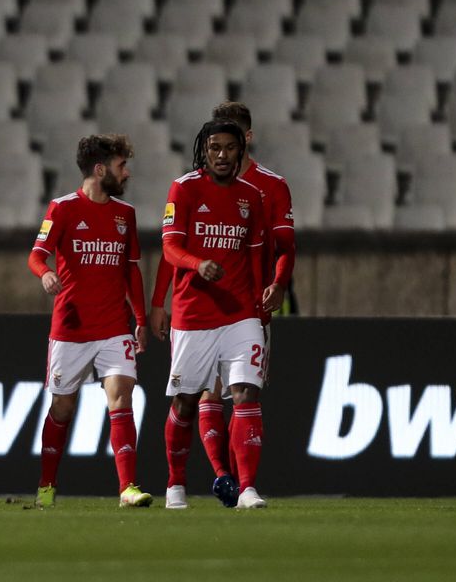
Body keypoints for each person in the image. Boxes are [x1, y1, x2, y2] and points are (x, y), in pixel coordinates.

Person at [149, 102, 295, 506]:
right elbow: (170, 248)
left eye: (230, 148)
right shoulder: (183, 189)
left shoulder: (253, 196)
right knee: (187, 399)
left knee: (246, 391)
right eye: (215, 147)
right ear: (205, 149)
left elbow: (256, 251)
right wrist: (198, 266)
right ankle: (176, 483)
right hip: (194, 313)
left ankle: (247, 487)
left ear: (241, 149)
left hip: (241, 313)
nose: (222, 155)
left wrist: (266, 295)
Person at [27, 134, 152, 508]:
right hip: (71, 327)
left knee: (121, 395)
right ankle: (47, 485)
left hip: (114, 326)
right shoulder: (62, 209)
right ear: (100, 170)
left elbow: (132, 272)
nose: (126, 173)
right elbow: (36, 256)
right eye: (120, 166)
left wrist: (141, 318)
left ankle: (128, 487)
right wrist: (45, 274)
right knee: (62, 408)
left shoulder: (124, 214)